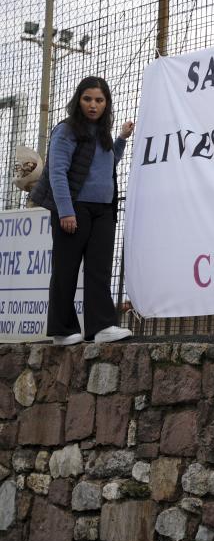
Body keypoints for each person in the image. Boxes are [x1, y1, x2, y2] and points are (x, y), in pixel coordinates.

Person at [30, 76, 135, 345]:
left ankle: (101, 327)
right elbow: (57, 172)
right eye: (87, 99)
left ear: (106, 104)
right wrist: (65, 211)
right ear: (78, 100)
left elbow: (108, 163)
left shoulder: (101, 132)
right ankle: (62, 331)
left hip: (104, 210)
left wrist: (121, 138)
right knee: (66, 268)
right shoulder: (66, 130)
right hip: (73, 208)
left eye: (99, 100)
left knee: (99, 269)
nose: (93, 105)